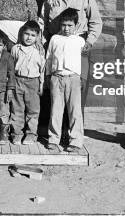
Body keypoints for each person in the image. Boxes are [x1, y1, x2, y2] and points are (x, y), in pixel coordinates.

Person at [40, 0, 102, 103]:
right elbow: (42, 20)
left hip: (78, 46)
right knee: (56, 90)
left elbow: (96, 21)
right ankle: (57, 125)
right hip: (57, 44)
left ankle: (76, 124)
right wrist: (43, 42)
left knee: (79, 88)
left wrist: (89, 42)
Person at [45, 8, 85, 153]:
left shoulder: (80, 41)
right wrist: (48, 76)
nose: (66, 28)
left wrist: (82, 78)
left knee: (74, 111)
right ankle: (53, 139)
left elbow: (84, 60)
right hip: (56, 77)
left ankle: (75, 140)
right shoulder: (55, 39)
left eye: (70, 25)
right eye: (64, 25)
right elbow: (49, 58)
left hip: (73, 78)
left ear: (76, 25)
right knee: (56, 110)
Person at [9, 20, 45, 145]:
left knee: (33, 110)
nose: (29, 37)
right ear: (22, 34)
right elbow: (11, 66)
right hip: (18, 80)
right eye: (27, 34)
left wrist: (41, 84)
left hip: (33, 82)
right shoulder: (15, 48)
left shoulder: (39, 51)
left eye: (33, 35)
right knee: (17, 109)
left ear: (37, 37)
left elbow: (42, 70)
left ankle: (31, 135)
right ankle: (17, 134)